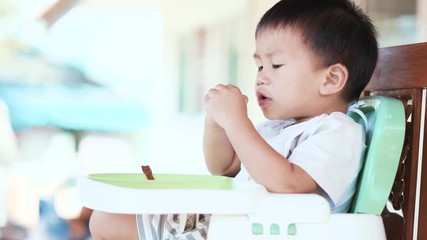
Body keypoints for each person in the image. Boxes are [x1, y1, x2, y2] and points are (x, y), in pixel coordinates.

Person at [88, 0, 378, 239]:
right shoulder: (280, 127)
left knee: (108, 224)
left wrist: (238, 123)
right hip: (227, 225)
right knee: (104, 219)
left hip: (260, 231)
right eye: (260, 65)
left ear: (331, 79)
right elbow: (223, 168)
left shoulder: (338, 131)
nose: (261, 76)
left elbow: (289, 183)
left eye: (276, 65)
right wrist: (217, 122)